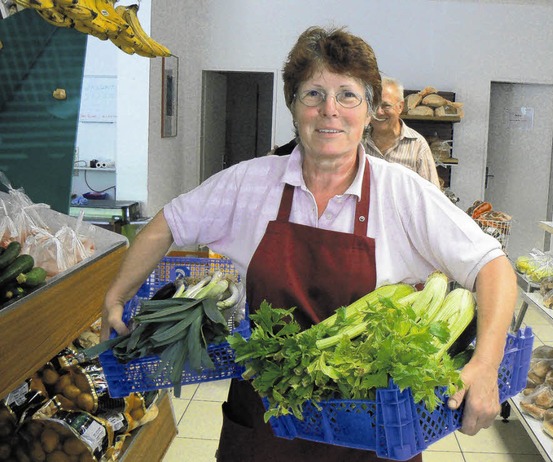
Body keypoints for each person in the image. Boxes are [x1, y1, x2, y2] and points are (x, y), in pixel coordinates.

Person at [100, 26, 517, 462]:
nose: (329, 111)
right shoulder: (251, 181)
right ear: (294, 106)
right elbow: (167, 222)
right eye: (313, 94)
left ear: (371, 108)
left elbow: (493, 266)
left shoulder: (402, 192)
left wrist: (485, 365)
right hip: (266, 424)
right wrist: (117, 294)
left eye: (348, 95)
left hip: (368, 430)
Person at [364, 76, 441, 188]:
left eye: (386, 106)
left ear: (400, 107)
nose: (379, 112)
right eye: (374, 105)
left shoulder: (417, 146)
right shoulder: (358, 143)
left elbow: (433, 197)